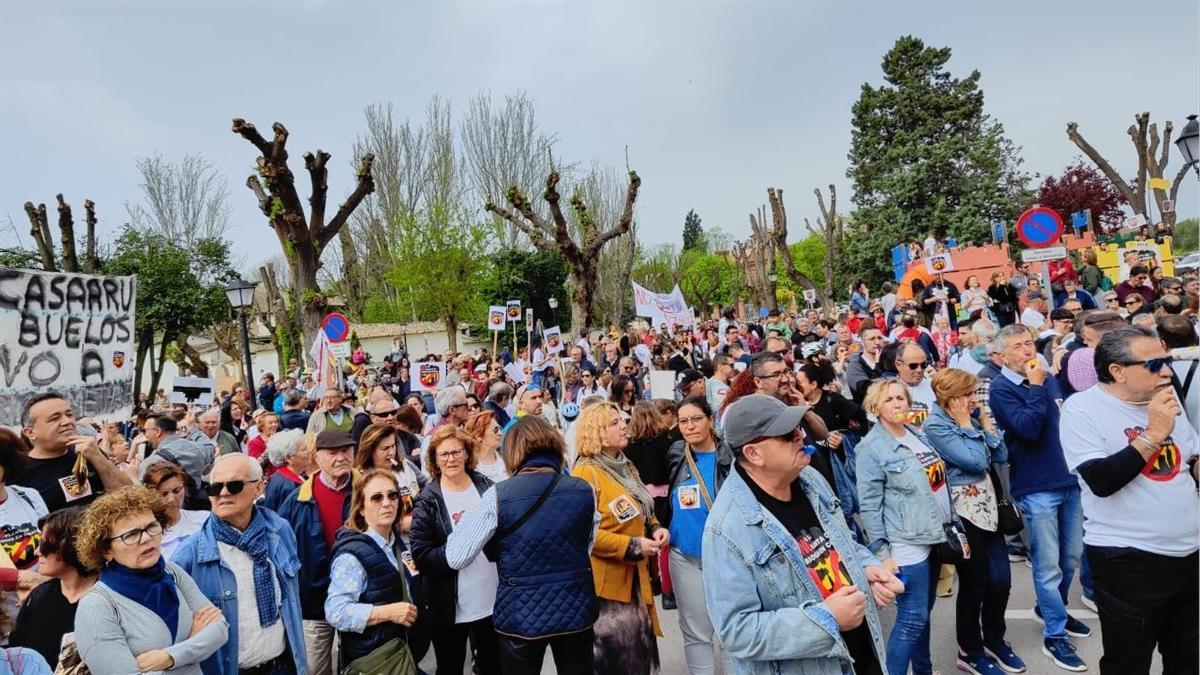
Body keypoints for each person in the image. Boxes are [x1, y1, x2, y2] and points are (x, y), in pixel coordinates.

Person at [702, 394, 898, 674]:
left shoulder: (810, 480)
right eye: (787, 434)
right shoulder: (726, 529)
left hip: (863, 654)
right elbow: (737, 631)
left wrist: (865, 566)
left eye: (798, 427)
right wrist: (827, 618)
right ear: (754, 454)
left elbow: (842, 541)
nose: (801, 435)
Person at [1060, 326, 1198, 674]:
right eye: (1154, 364)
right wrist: (1155, 433)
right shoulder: (1082, 409)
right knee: (1128, 663)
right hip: (1128, 560)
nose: (1166, 371)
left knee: (1187, 658)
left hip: (1188, 553)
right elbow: (1101, 480)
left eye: (1167, 360)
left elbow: (1189, 459)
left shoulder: (1167, 397)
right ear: (1117, 371)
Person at [444, 416, 599, 675]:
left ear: (513, 451)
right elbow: (586, 546)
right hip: (575, 606)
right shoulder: (584, 490)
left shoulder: (498, 495)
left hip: (520, 611)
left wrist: (468, 517)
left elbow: (456, 556)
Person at [989, 325, 1090, 671]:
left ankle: (1052, 609)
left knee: (1071, 556)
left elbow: (1064, 421)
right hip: (1035, 485)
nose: (1027, 351)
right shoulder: (1001, 388)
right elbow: (1028, 429)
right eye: (1017, 347)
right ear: (1002, 356)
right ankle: (1055, 634)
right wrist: (1035, 386)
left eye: (1028, 343)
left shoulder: (1046, 378)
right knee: (1047, 565)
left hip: (1067, 477)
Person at [923, 369, 1026, 673]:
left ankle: (994, 639)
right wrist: (969, 426)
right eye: (967, 394)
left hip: (989, 507)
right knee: (974, 584)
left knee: (1001, 581)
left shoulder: (971, 418)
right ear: (950, 397)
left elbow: (1001, 454)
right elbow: (977, 461)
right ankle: (970, 650)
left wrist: (984, 422)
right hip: (962, 514)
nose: (973, 399)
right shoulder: (936, 425)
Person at [173, 454, 308, 675]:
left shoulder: (280, 530)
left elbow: (292, 600)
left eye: (234, 485)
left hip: (284, 665)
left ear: (259, 487)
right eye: (215, 488)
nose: (223, 493)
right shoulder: (188, 556)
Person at [73, 485, 229, 674]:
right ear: (106, 550)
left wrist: (169, 657)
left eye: (151, 527)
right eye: (131, 535)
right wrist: (195, 643)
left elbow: (220, 629)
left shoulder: (171, 571)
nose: (146, 538)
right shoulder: (97, 606)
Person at [855, 379, 953, 675]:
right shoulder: (870, 448)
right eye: (889, 399)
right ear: (875, 407)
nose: (897, 403)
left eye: (901, 398)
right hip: (905, 543)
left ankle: (923, 671)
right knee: (911, 619)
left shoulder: (915, 433)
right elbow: (870, 507)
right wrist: (883, 554)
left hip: (933, 535)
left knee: (923, 614)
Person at [571, 402, 668, 674]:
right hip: (609, 592)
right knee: (622, 663)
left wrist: (655, 527)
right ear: (597, 432)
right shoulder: (585, 473)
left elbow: (642, 508)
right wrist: (632, 546)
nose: (624, 425)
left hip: (636, 581)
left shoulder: (625, 465)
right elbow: (583, 533)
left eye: (622, 420)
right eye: (614, 423)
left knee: (641, 659)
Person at [409, 426, 501, 675]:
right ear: (435, 460)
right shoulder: (428, 499)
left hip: (490, 597)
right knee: (450, 667)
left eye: (456, 452)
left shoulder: (486, 487)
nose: (451, 459)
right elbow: (421, 553)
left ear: (467, 453)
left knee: (494, 666)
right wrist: (453, 556)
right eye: (444, 454)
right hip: (448, 604)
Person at [275, 429, 358, 675]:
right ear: (317, 458)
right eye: (332, 453)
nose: (341, 458)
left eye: (346, 451)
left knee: (360, 666)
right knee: (313, 668)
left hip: (359, 598)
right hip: (313, 601)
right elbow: (280, 548)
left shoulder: (367, 490)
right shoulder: (297, 499)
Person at [661, 397, 732, 675]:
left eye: (696, 419)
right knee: (695, 631)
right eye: (683, 421)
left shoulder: (730, 455)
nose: (689, 426)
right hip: (684, 555)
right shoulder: (677, 453)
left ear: (710, 420)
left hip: (726, 556)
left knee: (731, 628)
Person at [325, 469, 421, 672]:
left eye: (392, 495)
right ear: (361, 508)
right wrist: (387, 613)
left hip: (401, 655)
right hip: (375, 662)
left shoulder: (395, 541)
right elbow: (336, 612)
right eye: (377, 498)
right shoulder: (351, 556)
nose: (387, 503)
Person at [8, 508, 95, 670]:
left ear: (70, 547)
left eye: (45, 545)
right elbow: (16, 655)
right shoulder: (38, 596)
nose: (37, 552)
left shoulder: (108, 599)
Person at [16, 393, 132, 513]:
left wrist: (98, 458)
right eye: (55, 418)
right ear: (30, 432)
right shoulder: (17, 472)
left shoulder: (90, 452)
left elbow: (130, 497)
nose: (67, 421)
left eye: (69, 415)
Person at [353, 423, 426, 541]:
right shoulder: (362, 478)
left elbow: (425, 487)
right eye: (385, 448)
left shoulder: (405, 465)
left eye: (393, 446)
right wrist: (399, 524)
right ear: (370, 450)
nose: (391, 452)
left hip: (419, 534)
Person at [138, 412, 212, 509]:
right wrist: (190, 428)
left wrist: (132, 476)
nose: (145, 435)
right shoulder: (196, 448)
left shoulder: (153, 462)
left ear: (158, 431)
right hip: (196, 509)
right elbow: (209, 446)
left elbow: (140, 496)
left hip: (170, 512)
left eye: (145, 431)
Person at [143, 462, 210, 561]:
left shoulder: (205, 520)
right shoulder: (145, 534)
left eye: (177, 491)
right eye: (163, 494)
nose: (171, 499)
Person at [262, 429, 312, 512]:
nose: (309, 452)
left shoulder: (280, 477)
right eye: (304, 449)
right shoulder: (289, 486)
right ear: (288, 458)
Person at [465, 411, 509, 484]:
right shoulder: (470, 467)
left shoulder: (506, 457)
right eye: (495, 430)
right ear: (478, 436)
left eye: (500, 428)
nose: (500, 433)